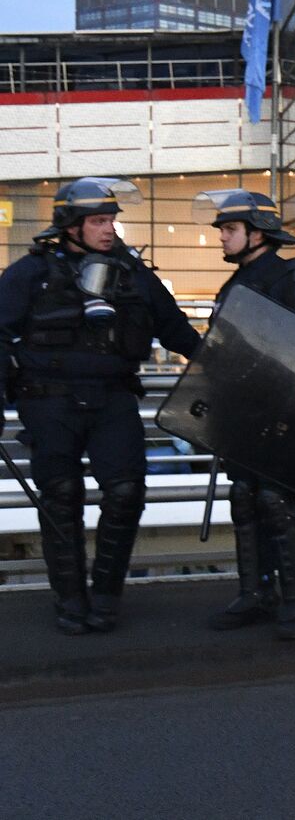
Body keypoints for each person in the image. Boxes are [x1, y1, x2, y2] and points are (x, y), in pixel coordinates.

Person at [0, 177, 200, 634]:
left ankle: (106, 595)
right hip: (48, 400)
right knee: (61, 498)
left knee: (128, 492)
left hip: (113, 397)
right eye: (97, 221)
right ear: (71, 224)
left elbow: (176, 330)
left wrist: (227, 367)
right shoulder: (30, 273)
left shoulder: (133, 273)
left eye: (110, 220)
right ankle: (70, 599)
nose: (108, 229)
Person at [199, 190, 295, 641]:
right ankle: (254, 594)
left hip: (283, 409)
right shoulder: (231, 286)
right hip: (241, 412)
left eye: (230, 230)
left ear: (257, 232)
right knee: (245, 499)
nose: (223, 239)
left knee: (277, 501)